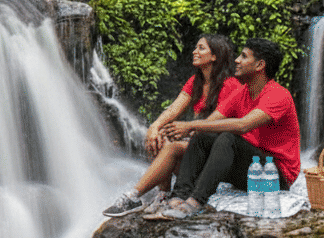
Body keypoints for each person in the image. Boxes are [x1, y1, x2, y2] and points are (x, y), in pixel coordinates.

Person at [144, 37, 301, 221]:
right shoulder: (242, 92)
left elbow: (243, 125)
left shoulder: (278, 94)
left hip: (275, 176)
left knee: (228, 138)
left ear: (260, 65)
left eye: (243, 56)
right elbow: (209, 123)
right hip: (250, 168)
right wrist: (172, 132)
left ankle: (195, 203)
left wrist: (191, 125)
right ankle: (177, 198)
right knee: (203, 136)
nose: (237, 60)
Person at [102, 34, 239, 217]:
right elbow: (174, 108)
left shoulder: (230, 85)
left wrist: (187, 129)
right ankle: (164, 194)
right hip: (198, 151)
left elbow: (213, 125)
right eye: (195, 47)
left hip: (219, 156)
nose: (194, 52)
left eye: (201, 48)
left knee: (173, 147)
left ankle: (133, 196)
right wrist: (154, 127)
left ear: (214, 56)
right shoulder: (196, 82)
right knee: (159, 138)